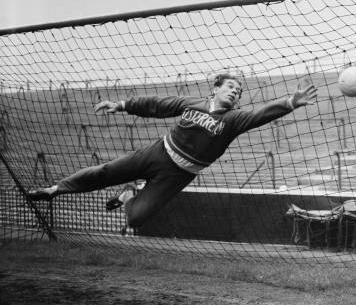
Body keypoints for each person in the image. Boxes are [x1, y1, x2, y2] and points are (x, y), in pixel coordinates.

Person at [27, 73, 317, 228]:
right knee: (105, 172)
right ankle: (55, 189)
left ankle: (130, 194)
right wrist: (123, 105)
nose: (235, 92)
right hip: (156, 153)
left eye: (239, 91)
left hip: (177, 175)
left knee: (136, 219)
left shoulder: (234, 120)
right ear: (214, 89)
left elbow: (262, 114)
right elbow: (157, 105)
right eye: (230, 87)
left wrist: (290, 102)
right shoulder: (193, 104)